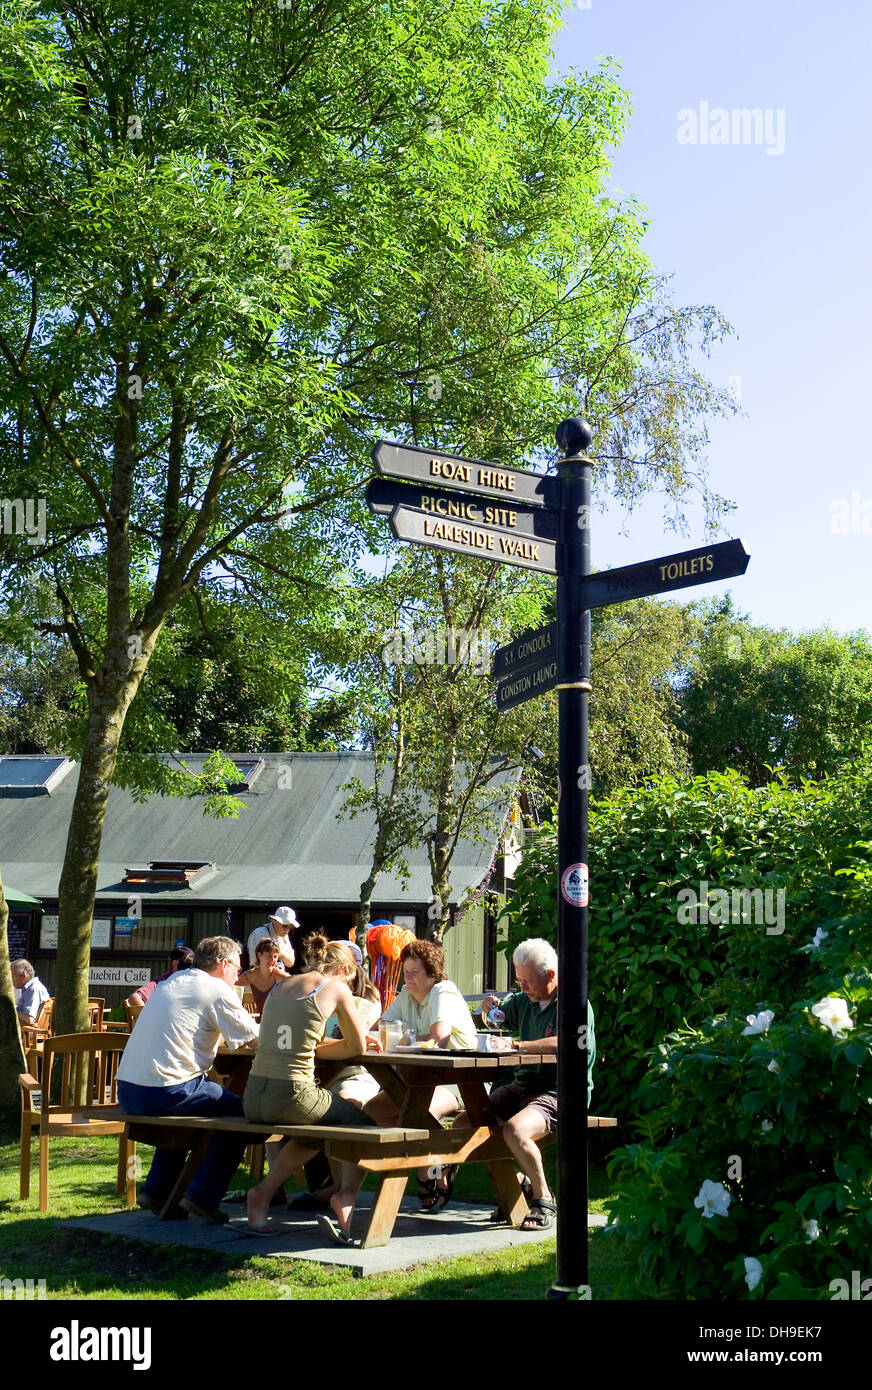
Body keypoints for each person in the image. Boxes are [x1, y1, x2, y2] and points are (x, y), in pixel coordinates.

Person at [243, 934, 380, 1243]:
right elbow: (356, 1047)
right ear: (345, 969)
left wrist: (330, 1044)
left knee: (316, 1132)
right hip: (292, 1094)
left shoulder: (281, 984)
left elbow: (310, 1046)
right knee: (363, 1124)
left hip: (254, 1096)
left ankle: (261, 1196)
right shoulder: (336, 988)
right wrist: (359, 1041)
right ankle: (344, 1198)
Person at [116, 935, 259, 1223]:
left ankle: (157, 1190)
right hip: (167, 1091)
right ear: (223, 964)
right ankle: (202, 1198)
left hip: (128, 1091)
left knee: (197, 1112)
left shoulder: (172, 982)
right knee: (247, 1116)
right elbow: (255, 1040)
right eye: (237, 968)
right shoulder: (216, 988)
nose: (238, 975)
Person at [456, 937, 596, 1231]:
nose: (523, 988)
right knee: (465, 1121)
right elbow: (499, 1018)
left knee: (514, 1131)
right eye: (519, 980)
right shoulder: (525, 999)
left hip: (560, 1092)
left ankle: (543, 1198)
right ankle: (514, 1183)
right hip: (523, 1087)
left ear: (551, 975)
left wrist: (520, 1046)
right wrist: (489, 1011)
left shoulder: (574, 1003)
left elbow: (569, 1042)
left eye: (528, 981)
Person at [366, 939, 477, 1211]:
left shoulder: (443, 991)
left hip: (459, 1082)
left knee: (414, 1112)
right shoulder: (406, 994)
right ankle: (437, 1160)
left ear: (433, 974)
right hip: (415, 1080)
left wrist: (402, 1036)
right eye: (406, 971)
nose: (408, 977)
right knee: (372, 1111)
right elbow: (379, 1028)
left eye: (415, 972)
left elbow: (440, 1038)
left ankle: (427, 1170)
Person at [126, 945, 194, 1007]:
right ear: (175, 963)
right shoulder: (163, 981)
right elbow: (135, 998)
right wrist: (150, 1017)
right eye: (187, 963)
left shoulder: (195, 981)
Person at [236, 938, 289, 1013]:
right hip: (259, 1019)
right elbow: (233, 984)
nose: (272, 960)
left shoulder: (279, 976)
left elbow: (296, 987)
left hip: (277, 1018)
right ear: (259, 955)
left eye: (275, 956)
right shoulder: (251, 975)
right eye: (269, 956)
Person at [246, 906, 298, 970]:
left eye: (290, 927)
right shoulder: (260, 933)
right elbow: (256, 965)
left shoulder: (284, 937)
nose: (287, 930)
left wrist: (280, 952)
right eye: (284, 926)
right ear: (274, 920)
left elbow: (291, 962)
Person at [11, 960, 50, 1025]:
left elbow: (29, 1019)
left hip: (28, 1032)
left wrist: (11, 1011)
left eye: (13, 975)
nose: (11, 979)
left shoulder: (33, 989)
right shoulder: (29, 988)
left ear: (24, 976)